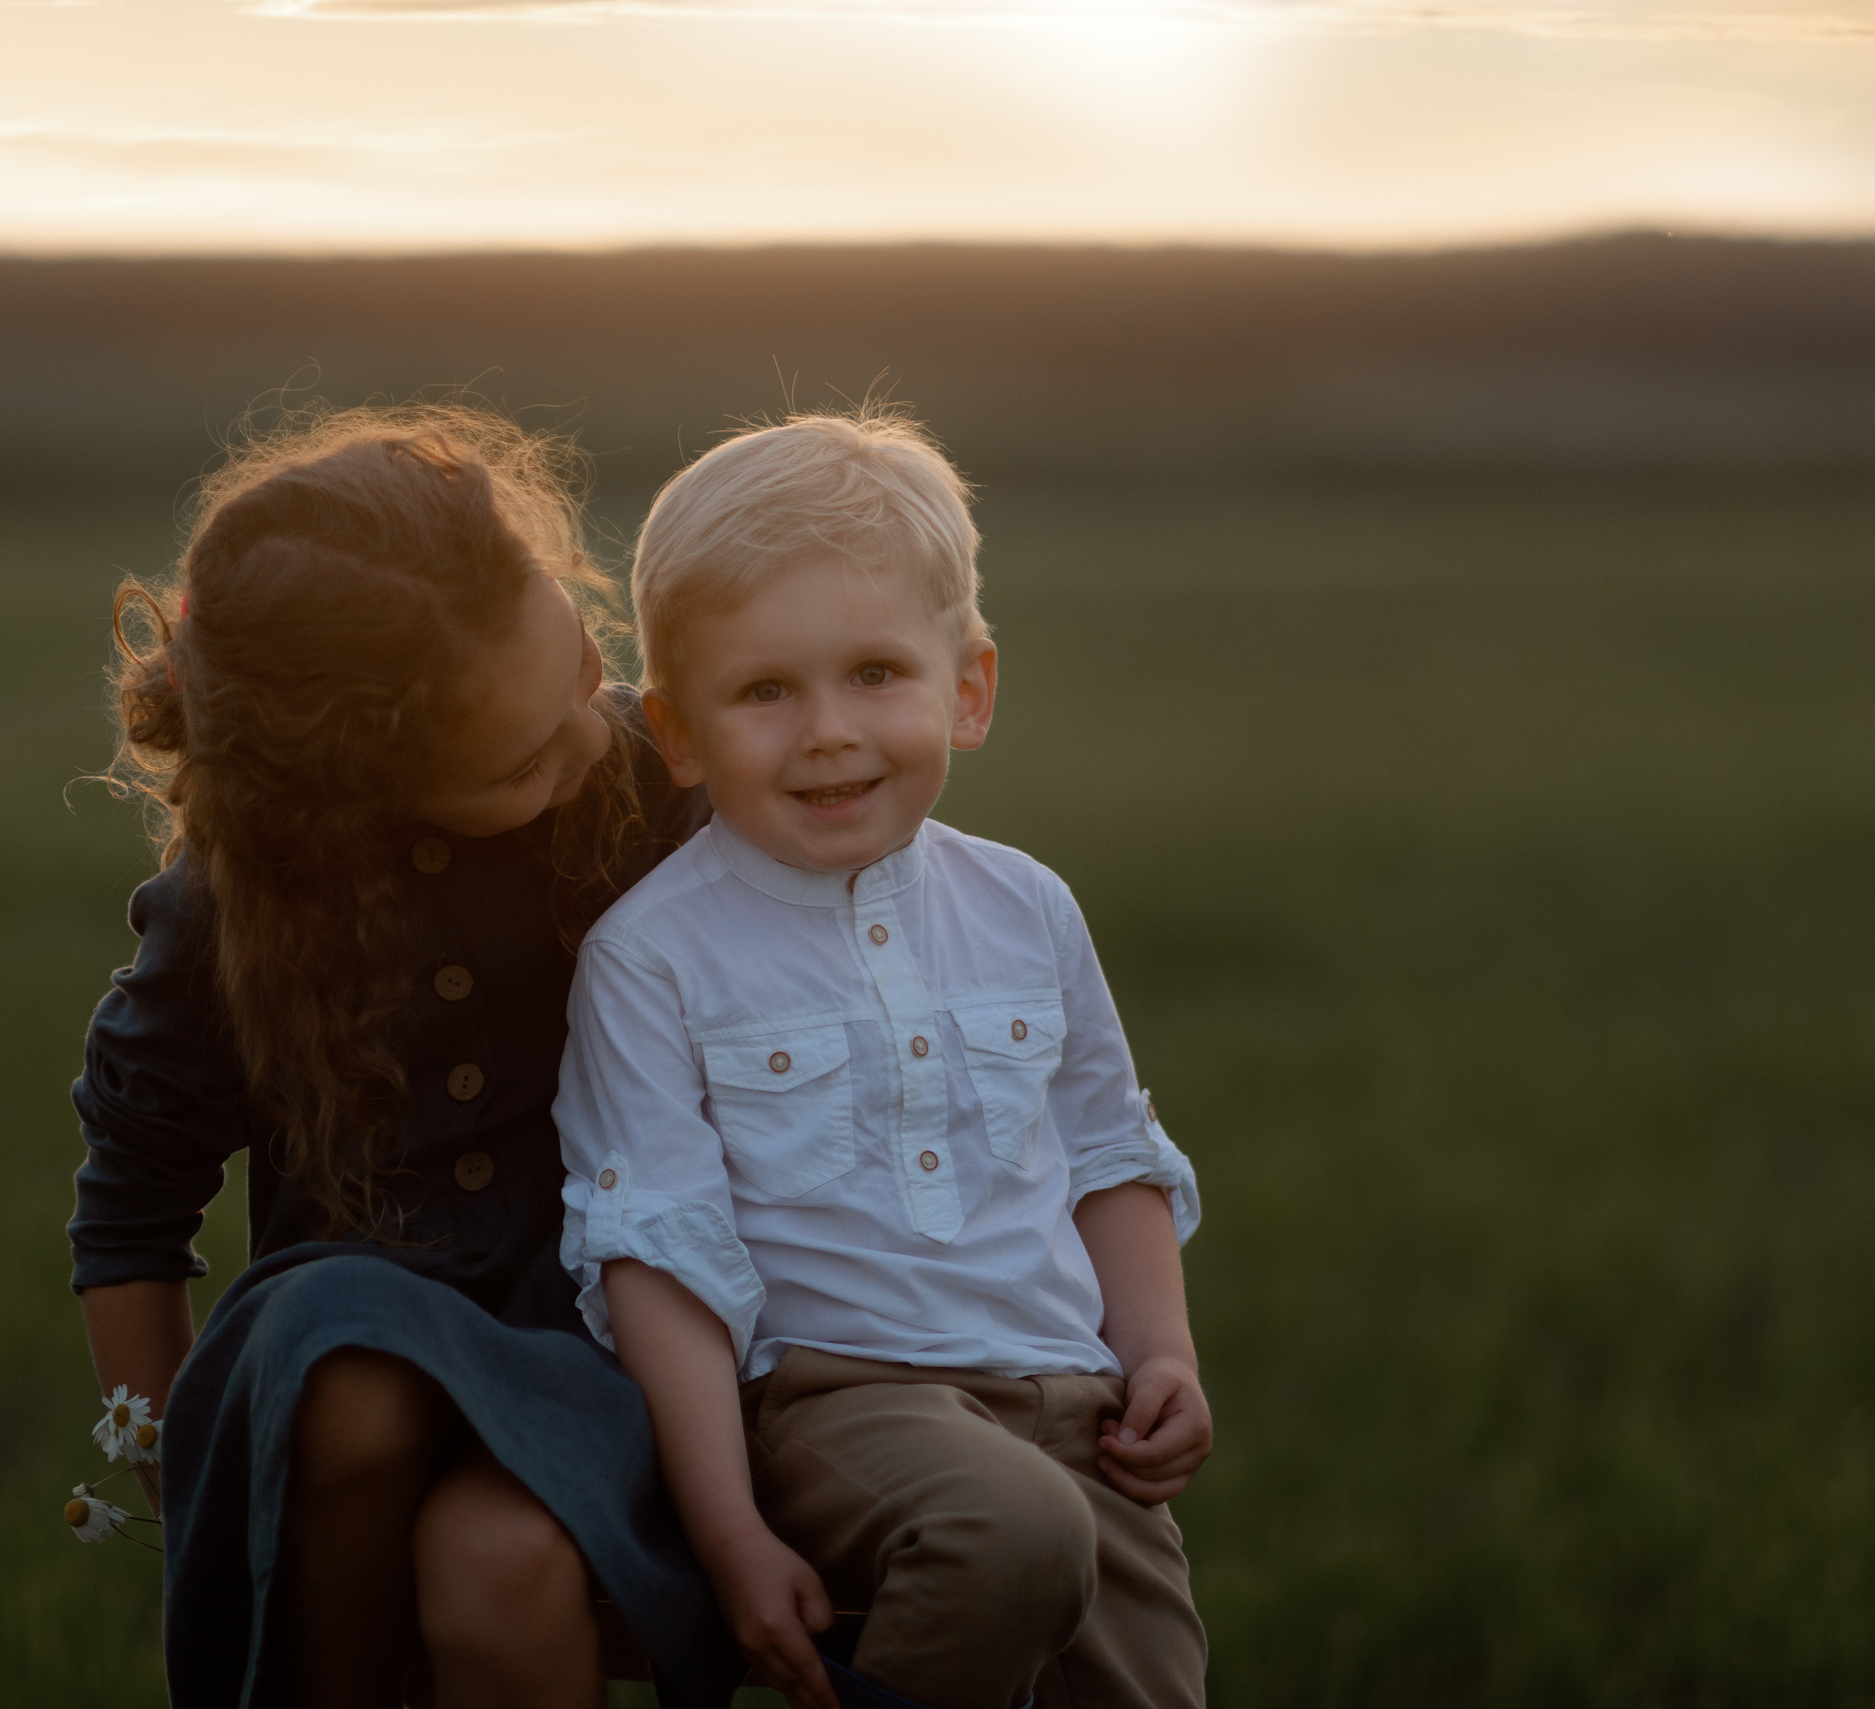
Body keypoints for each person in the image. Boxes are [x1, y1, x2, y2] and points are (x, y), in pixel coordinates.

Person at [66, 403, 740, 1709]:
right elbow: (131, 1208)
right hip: (348, 1362)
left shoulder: (658, 788)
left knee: (505, 1569)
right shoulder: (244, 907)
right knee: (346, 1363)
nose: (593, 739)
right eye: (523, 763)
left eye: (582, 663)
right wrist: (186, 1478)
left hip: (604, 1340)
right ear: (346, 804)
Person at [555, 410, 1213, 1709]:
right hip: (838, 1407)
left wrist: (1163, 1355)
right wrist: (730, 1531)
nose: (826, 731)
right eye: (764, 691)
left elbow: (1108, 1152)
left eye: (874, 673)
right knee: (1011, 1534)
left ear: (967, 689)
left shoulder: (1028, 907)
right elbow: (659, 1259)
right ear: (677, 733)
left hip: (1075, 1403)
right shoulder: (654, 954)